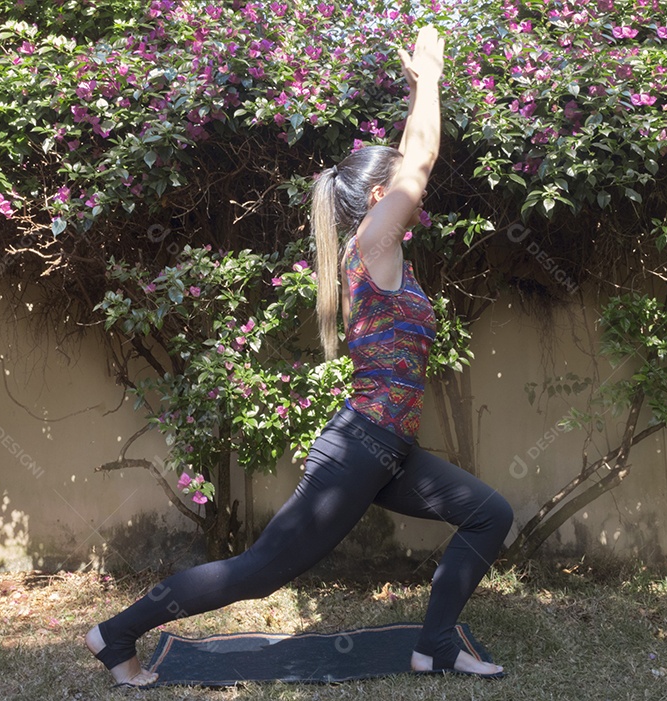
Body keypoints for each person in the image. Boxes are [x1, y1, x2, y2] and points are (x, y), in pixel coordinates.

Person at [85, 24, 513, 688]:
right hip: (361, 446)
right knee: (259, 570)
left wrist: (413, 94)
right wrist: (431, 78)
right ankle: (115, 634)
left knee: (489, 513)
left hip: (388, 447)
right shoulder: (373, 242)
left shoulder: (371, 242)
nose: (412, 190)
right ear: (380, 200)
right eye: (399, 187)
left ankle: (435, 644)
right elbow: (420, 162)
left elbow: (410, 155)